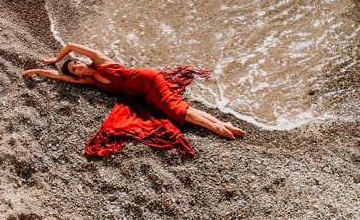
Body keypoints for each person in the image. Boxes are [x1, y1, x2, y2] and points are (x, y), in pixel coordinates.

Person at [22, 42, 244, 157]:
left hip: (147, 80)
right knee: (174, 109)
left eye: (77, 63)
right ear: (76, 75)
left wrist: (55, 58)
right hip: (141, 95)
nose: (78, 67)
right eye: (74, 69)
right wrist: (37, 72)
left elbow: (70, 45)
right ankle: (223, 123)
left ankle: (217, 127)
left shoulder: (100, 61)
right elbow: (59, 76)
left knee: (172, 108)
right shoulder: (90, 81)